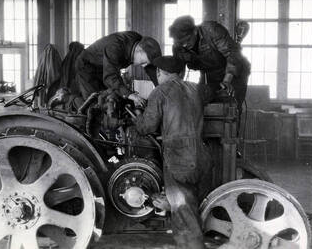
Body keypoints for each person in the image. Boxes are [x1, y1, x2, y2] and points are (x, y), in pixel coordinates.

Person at [135, 56, 211, 249]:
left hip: (178, 157)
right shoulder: (196, 89)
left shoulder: (160, 91)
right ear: (182, 73)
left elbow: (146, 127)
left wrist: (137, 116)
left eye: (157, 73)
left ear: (160, 73)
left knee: (184, 214)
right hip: (201, 155)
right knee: (190, 210)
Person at [169, 15, 250, 115]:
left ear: (195, 31)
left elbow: (233, 56)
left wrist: (226, 81)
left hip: (235, 71)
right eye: (181, 42)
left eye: (187, 40)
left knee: (231, 108)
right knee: (203, 100)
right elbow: (178, 70)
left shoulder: (212, 30)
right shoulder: (178, 45)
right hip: (210, 72)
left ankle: (233, 128)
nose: (184, 45)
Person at [75, 31, 161, 107]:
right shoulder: (115, 47)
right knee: (94, 104)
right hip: (86, 66)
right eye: (144, 62)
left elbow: (152, 69)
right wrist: (130, 94)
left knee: (113, 98)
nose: (144, 66)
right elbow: (110, 76)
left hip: (104, 67)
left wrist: (161, 89)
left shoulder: (142, 44)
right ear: (139, 50)